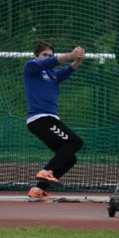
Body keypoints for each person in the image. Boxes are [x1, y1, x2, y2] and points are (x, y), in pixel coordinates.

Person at [23, 41, 86, 201]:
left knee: (70, 157)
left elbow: (66, 71)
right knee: (76, 142)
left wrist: (77, 61)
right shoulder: (31, 68)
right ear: (36, 56)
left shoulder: (53, 75)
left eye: (50, 55)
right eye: (45, 55)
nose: (48, 58)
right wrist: (70, 55)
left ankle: (37, 190)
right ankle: (45, 172)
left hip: (49, 119)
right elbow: (50, 63)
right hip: (41, 119)